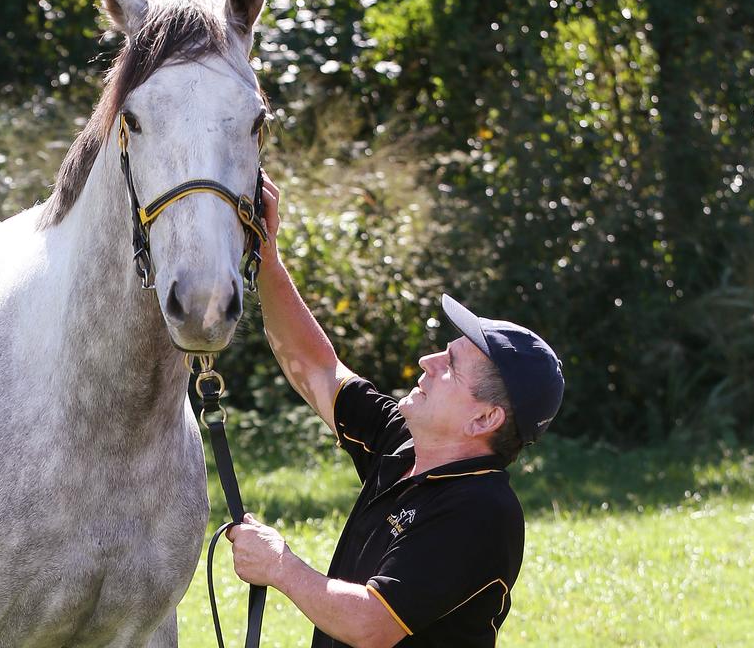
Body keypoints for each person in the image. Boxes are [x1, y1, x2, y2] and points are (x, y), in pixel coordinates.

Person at [226, 170, 565, 647]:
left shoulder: (481, 512)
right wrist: (266, 256)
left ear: (484, 419)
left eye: (450, 365)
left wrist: (280, 565)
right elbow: (315, 367)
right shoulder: (402, 444)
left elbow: (371, 624)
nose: (427, 361)